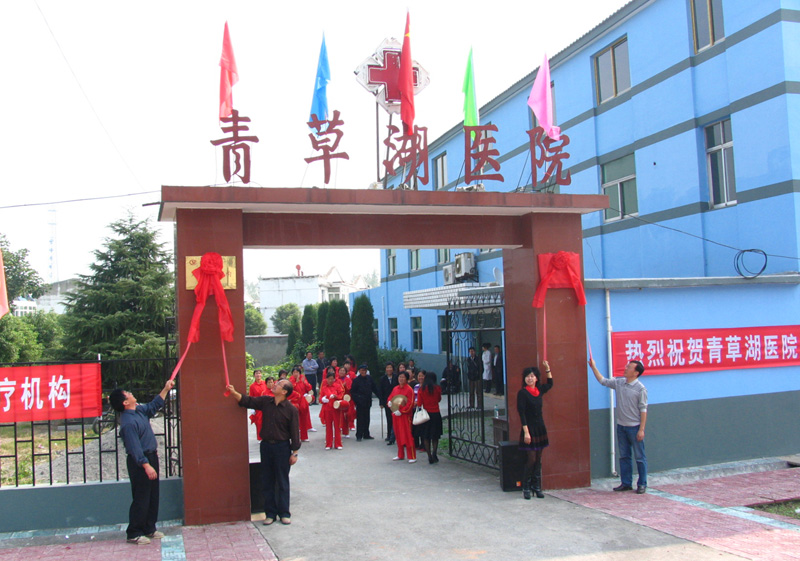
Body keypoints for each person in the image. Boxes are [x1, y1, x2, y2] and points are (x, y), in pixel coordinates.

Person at [109, 378, 176, 545]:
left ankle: (149, 528)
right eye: (128, 394)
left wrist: (166, 389)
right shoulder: (128, 423)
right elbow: (134, 448)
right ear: (125, 402)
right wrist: (146, 465)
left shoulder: (138, 411)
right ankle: (134, 532)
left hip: (151, 457)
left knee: (153, 495)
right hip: (140, 462)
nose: (131, 394)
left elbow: (153, 406)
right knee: (141, 497)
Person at [227, 379, 300, 525]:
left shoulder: (291, 410)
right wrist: (233, 392)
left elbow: (294, 432)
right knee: (267, 480)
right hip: (266, 446)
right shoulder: (266, 401)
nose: (275, 385)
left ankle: (284, 513)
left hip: (282, 448)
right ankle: (270, 513)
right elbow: (248, 401)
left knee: (282, 481)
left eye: (279, 385)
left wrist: (295, 453)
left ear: (284, 391)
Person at [589, 358, 648, 494]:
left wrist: (641, 429)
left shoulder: (640, 389)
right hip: (621, 426)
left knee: (640, 457)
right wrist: (593, 367)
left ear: (636, 373)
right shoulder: (620, 383)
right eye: (627, 366)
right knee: (624, 456)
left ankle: (642, 484)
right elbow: (603, 381)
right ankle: (626, 483)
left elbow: (643, 409)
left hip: (635, 427)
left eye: (629, 367)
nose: (626, 368)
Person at [517, 362, 553, 500]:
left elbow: (550, 384)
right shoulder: (523, 393)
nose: (530, 378)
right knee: (531, 459)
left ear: (536, 378)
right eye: (527, 376)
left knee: (538, 458)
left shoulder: (539, 391)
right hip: (529, 428)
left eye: (532, 376)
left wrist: (547, 369)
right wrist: (526, 432)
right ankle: (525, 487)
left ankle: (536, 486)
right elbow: (522, 413)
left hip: (540, 428)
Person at [387, 371, 416, 462]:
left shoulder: (409, 389)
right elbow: (390, 397)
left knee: (407, 435)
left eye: (403, 377)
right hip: (396, 415)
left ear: (406, 379)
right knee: (398, 435)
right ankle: (400, 454)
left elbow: (410, 404)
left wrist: (402, 411)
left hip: (405, 416)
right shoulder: (395, 388)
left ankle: (412, 456)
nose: (401, 379)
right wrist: (389, 403)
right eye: (400, 377)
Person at [417, 372, 443, 464]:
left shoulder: (422, 389)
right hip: (436, 413)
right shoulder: (437, 388)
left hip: (426, 415)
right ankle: (434, 453)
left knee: (426, 436)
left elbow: (419, 403)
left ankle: (429, 456)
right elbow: (439, 399)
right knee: (435, 436)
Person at [351, 363, 379, 441]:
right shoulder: (356, 380)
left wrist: (381, 397)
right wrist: (357, 400)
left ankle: (366, 434)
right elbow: (353, 392)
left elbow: (374, 388)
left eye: (365, 370)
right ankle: (359, 435)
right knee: (360, 419)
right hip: (360, 402)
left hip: (367, 401)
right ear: (359, 371)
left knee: (367, 418)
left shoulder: (369, 378)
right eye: (362, 370)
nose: (364, 372)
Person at [319, 368, 345, 450]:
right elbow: (320, 398)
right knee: (328, 427)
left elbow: (341, 395)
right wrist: (322, 399)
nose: (330, 380)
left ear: (334, 379)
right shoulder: (324, 388)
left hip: (336, 408)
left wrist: (335, 396)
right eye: (329, 379)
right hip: (327, 409)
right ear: (326, 379)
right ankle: (328, 444)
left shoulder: (337, 386)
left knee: (337, 426)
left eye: (332, 379)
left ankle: (338, 444)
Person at [377, 362, 398, 445]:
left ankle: (396, 435)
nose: (389, 369)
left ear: (393, 369)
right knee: (389, 418)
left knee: (396, 418)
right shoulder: (382, 379)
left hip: (396, 401)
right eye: (387, 367)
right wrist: (381, 402)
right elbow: (380, 391)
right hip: (387, 402)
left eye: (390, 367)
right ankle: (389, 435)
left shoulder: (396, 377)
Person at [249, 370, 268, 441]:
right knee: (259, 422)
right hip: (258, 406)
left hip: (266, 405)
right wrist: (252, 408)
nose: (258, 375)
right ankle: (260, 437)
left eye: (259, 373)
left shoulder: (265, 383)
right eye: (256, 374)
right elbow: (251, 397)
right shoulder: (252, 386)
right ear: (254, 375)